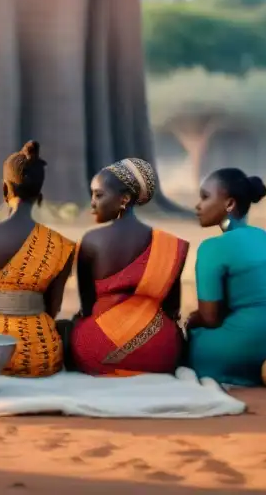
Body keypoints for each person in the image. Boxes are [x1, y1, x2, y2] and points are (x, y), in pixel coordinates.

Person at [185, 168, 266, 386]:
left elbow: (211, 318)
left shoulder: (211, 248)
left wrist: (191, 321)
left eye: (205, 197)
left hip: (246, 343)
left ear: (229, 204)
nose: (198, 206)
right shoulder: (262, 236)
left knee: (194, 342)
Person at [70, 158, 189, 376]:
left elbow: (87, 307)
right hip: (159, 351)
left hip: (99, 348)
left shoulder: (91, 241)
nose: (93, 203)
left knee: (68, 330)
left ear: (124, 198)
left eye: (99, 195)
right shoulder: (168, 245)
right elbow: (172, 310)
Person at [0, 141, 75, 378]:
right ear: (40, 196)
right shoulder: (61, 245)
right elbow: (53, 309)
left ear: (5, 190)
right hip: (40, 354)